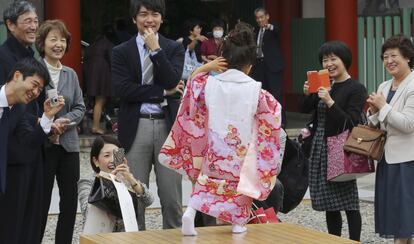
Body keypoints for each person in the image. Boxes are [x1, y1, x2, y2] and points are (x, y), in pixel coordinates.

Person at [158, 22, 282, 235]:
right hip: (239, 151)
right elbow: (272, 117)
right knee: (241, 187)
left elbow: (190, 90)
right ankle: (237, 223)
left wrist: (206, 67)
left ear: (223, 61)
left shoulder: (207, 84)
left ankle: (190, 213)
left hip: (213, 149)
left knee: (206, 183)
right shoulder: (257, 91)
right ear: (250, 65)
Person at [111, 0, 185, 229]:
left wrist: (156, 50)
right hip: (133, 126)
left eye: (155, 14)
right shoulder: (119, 51)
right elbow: (122, 90)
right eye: (143, 14)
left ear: (162, 18)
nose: (149, 20)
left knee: (172, 198)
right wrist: (163, 92)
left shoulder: (174, 48)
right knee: (130, 194)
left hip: (168, 126)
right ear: (134, 19)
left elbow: (174, 79)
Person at [301, 41, 366, 241]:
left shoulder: (356, 88)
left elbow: (351, 122)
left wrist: (330, 101)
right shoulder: (323, 84)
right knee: (330, 203)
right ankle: (334, 240)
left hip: (341, 148)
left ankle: (354, 240)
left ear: (344, 60)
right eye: (325, 60)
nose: (329, 63)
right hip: (320, 147)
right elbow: (305, 109)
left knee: (349, 202)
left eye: (333, 59)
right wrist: (308, 93)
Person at [0, 57, 65, 244]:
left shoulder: (19, 109)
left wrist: (46, 117)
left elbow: (29, 142)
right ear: (18, 76)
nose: (36, 92)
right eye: (34, 85)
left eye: (39, 89)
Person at [35, 20, 86, 244]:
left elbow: (80, 107)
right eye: (53, 39)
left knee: (69, 203)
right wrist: (48, 123)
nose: (59, 44)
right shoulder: (33, 70)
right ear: (42, 43)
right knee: (40, 202)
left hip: (68, 145)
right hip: (43, 146)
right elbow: (28, 107)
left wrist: (65, 121)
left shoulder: (70, 74)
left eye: (62, 40)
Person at [367, 34, 414, 244]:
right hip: (386, 159)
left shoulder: (413, 85)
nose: (389, 61)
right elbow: (378, 122)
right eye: (385, 57)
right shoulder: (384, 86)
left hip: (407, 161)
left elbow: (408, 124)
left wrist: (383, 106)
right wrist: (374, 112)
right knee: (396, 215)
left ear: (408, 58)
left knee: (403, 218)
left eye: (394, 56)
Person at [78, 135, 154, 232]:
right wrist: (108, 182)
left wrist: (131, 179)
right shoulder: (87, 182)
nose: (112, 160)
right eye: (107, 155)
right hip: (100, 236)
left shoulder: (126, 179)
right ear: (95, 161)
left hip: (128, 237)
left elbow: (149, 201)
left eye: (116, 155)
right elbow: (86, 212)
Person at [250, 7, 285, 126]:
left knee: (276, 94)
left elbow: (278, 31)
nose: (259, 20)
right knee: (261, 93)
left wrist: (269, 26)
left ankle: (281, 122)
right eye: (257, 18)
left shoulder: (272, 28)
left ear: (267, 16)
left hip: (272, 65)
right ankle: (264, 121)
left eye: (261, 17)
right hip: (259, 65)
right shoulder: (256, 30)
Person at [84, 24, 116, 135]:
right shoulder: (107, 44)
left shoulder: (90, 46)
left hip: (91, 77)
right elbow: (113, 61)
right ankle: (95, 127)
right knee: (100, 101)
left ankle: (95, 125)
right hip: (103, 76)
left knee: (96, 101)